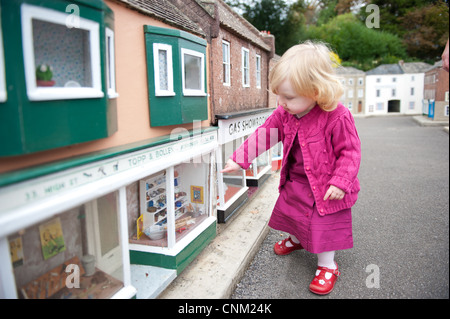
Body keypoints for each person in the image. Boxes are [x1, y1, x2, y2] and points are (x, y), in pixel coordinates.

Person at [221, 41, 361, 295]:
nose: (281, 102)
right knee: (294, 214)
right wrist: (239, 158)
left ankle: (327, 266)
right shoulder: (284, 113)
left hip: (326, 187)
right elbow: (264, 135)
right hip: (297, 181)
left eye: (288, 97)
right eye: (279, 95)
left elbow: (350, 152)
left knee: (323, 226)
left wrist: (341, 182)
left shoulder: (337, 115)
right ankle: (297, 239)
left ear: (316, 91)